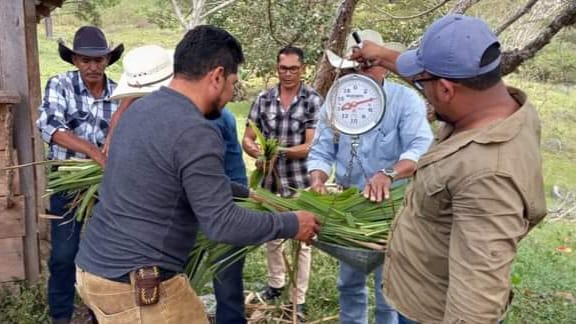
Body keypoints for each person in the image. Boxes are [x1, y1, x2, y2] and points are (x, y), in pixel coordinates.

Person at [74, 25, 320, 324]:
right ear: (216, 76)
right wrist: (291, 222)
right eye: (232, 82)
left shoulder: (139, 109)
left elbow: (175, 176)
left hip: (93, 270)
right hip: (138, 285)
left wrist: (246, 193)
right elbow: (221, 224)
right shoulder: (196, 130)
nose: (232, 93)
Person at [351, 15, 547, 323]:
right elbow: (433, 73)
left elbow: (476, 303)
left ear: (445, 89)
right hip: (416, 292)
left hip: (430, 313)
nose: (420, 89)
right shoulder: (493, 99)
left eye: (422, 83)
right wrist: (382, 54)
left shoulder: (489, 175)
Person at [106, 44, 250, 324]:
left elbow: (213, 197)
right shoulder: (156, 114)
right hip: (187, 204)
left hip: (223, 198)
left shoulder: (203, 120)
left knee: (225, 275)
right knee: (180, 272)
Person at [308, 30, 433, 324]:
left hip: (393, 209)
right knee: (348, 283)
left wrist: (389, 173)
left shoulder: (405, 101)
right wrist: (317, 178)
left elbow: (422, 146)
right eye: (355, 66)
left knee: (388, 287)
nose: (361, 72)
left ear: (382, 63)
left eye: (367, 64)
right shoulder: (337, 101)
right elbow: (322, 149)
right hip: (351, 209)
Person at [36, 26, 124, 324]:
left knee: (103, 255)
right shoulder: (59, 85)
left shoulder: (119, 94)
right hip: (67, 182)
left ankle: (100, 314)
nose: (92, 66)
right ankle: (60, 317)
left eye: (99, 60)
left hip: (105, 185)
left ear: (107, 60)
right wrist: (91, 150)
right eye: (85, 60)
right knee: (63, 255)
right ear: (75, 60)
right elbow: (50, 127)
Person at [242, 46, 323, 318]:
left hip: (300, 182)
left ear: (303, 69)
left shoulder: (312, 99)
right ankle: (276, 284)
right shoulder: (264, 99)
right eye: (283, 68)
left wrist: (278, 152)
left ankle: (298, 300)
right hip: (269, 183)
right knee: (273, 235)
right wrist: (258, 153)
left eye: (293, 68)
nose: (288, 73)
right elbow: (248, 139)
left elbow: (310, 146)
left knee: (303, 241)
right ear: (277, 68)